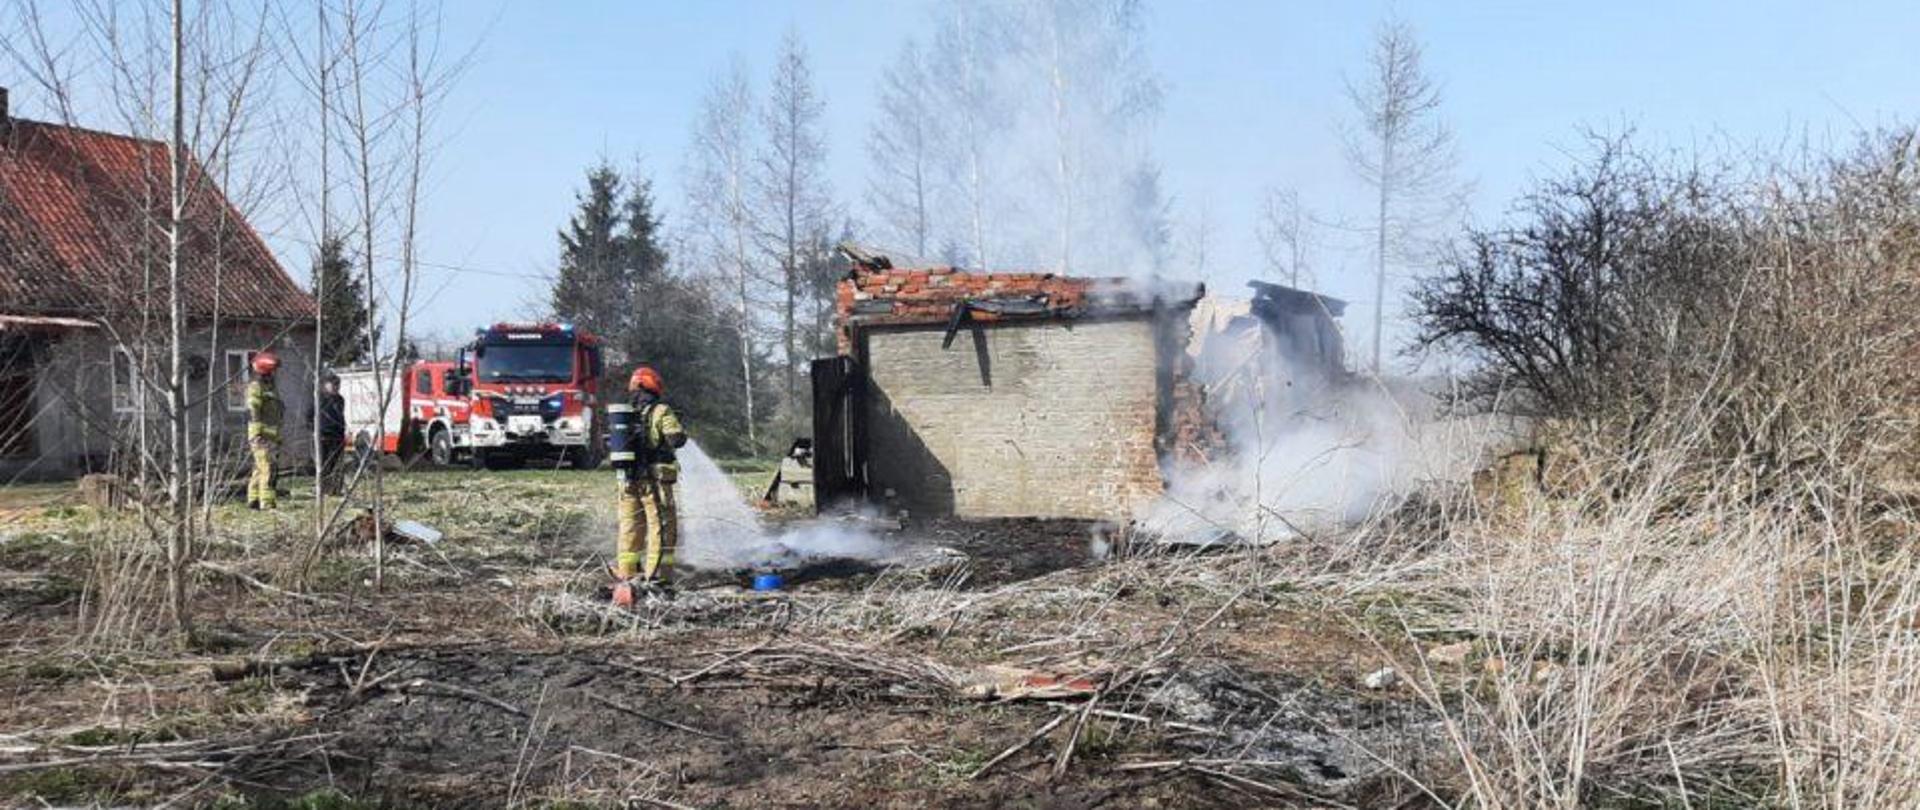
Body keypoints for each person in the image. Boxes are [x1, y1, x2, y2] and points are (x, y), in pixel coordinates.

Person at [615, 365, 688, 587]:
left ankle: (627, 573)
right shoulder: (661, 411)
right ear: (654, 386)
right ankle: (657, 577)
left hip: (627, 481)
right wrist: (682, 430)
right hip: (653, 482)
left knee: (630, 527)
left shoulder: (626, 414)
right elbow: (676, 439)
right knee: (662, 528)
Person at [246, 351, 284, 510]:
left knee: (260, 468)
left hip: (272, 435)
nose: (276, 373)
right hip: (261, 436)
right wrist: (258, 434)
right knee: (268, 468)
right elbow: (253, 411)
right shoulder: (256, 387)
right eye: (274, 370)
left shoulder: (271, 388)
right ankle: (267, 503)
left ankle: (253, 499)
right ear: (266, 371)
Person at [310, 373, 347, 495]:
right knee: (323, 464)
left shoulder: (340, 400)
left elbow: (340, 416)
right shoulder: (319, 399)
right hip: (323, 436)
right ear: (325, 385)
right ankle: (322, 489)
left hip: (337, 436)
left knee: (337, 464)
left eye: (338, 384)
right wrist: (314, 431)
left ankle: (335, 489)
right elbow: (309, 416)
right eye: (333, 384)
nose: (336, 387)